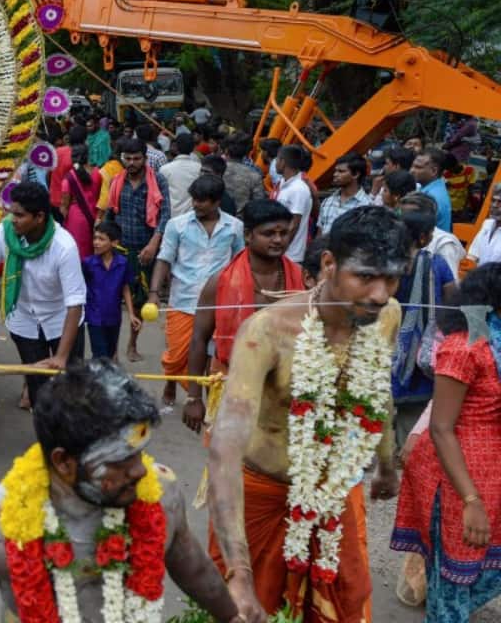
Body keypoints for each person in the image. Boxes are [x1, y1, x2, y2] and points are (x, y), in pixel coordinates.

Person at [0, 360, 239, 623]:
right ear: (63, 462)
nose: (139, 470)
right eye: (121, 460)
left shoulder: (160, 494)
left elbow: (194, 570)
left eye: (139, 453)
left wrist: (234, 616)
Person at [208, 206, 410, 623]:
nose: (379, 293)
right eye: (366, 276)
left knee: (348, 604)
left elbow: (378, 390)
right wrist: (238, 571)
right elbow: (224, 451)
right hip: (261, 498)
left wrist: (387, 463)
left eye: (391, 278)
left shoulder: (386, 314)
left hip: (335, 495)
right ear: (329, 264)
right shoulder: (267, 330)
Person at [391, 263, 501, 619]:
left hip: (491, 472)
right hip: (458, 476)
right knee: (454, 579)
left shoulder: (494, 339)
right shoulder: (465, 346)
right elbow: (441, 427)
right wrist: (471, 499)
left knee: (471, 574)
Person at [0, 182, 86, 410]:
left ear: (39, 217)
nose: (12, 219)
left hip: (62, 321)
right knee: (39, 392)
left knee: (71, 392)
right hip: (24, 321)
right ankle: (47, 440)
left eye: (19, 215)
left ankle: (71, 441)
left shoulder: (64, 246)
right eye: (11, 213)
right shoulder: (7, 230)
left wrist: (60, 357)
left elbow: (75, 303)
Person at [184, 200, 305, 433]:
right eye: (269, 233)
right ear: (248, 235)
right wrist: (193, 397)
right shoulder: (220, 282)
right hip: (232, 384)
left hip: (286, 388)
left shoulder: (302, 279)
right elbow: (199, 339)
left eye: (284, 233)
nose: (279, 240)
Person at [150, 175, 244, 407]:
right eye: (194, 199)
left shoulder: (234, 227)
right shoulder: (177, 225)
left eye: (202, 201)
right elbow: (164, 259)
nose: (196, 204)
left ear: (217, 201)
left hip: (217, 303)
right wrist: (153, 293)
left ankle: (197, 397)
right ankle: (171, 381)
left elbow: (240, 261)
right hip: (183, 300)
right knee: (176, 356)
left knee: (208, 353)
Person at [389, 205, 456, 448]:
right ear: (424, 237)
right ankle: (406, 450)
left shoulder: (388, 264)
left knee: (382, 400)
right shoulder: (437, 264)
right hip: (421, 347)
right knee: (415, 408)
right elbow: (452, 301)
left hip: (388, 339)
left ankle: (380, 449)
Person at [104, 138, 171, 362]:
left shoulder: (158, 180)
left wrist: (154, 243)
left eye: (136, 159)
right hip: (120, 250)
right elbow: (109, 216)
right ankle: (111, 351)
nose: (131, 163)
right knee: (112, 301)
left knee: (140, 303)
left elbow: (165, 216)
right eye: (128, 158)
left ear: (145, 158)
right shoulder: (116, 181)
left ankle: (132, 345)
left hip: (146, 252)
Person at [80, 221, 138, 359]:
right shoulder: (88, 264)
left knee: (111, 352)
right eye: (95, 238)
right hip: (95, 318)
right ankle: (98, 379)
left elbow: (125, 288)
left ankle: (102, 377)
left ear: (114, 243)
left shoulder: (122, 263)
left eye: (101, 239)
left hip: (114, 318)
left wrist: (131, 314)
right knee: (100, 355)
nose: (96, 242)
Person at [402, 192, 465, 280]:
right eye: (403, 214)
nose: (404, 219)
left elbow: (450, 283)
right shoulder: (400, 237)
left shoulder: (444, 243)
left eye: (410, 215)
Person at [58, 144, 102, 258]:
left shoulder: (69, 178)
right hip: (96, 218)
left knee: (77, 252)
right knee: (92, 250)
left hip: (76, 220)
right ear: (87, 156)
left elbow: (64, 206)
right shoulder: (98, 172)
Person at [271, 144, 312, 264]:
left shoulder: (298, 189)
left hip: (290, 256)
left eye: (277, 159)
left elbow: (294, 224)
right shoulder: (284, 183)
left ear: (283, 162)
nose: (275, 163)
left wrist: (279, 247)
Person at [315, 153, 373, 235]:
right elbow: (319, 234)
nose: (335, 174)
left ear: (356, 174)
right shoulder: (327, 201)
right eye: (335, 171)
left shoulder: (367, 206)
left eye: (341, 171)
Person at [159, 132, 202, 217]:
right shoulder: (200, 168)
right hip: (192, 215)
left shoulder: (165, 169)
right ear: (193, 148)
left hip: (171, 215)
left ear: (176, 147)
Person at [410, 147, 453, 232]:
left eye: (418, 167)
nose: (411, 170)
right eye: (412, 166)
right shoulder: (431, 189)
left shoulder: (432, 197)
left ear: (434, 171)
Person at [466, 183, 501, 266]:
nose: (494, 205)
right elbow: (472, 255)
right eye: (493, 200)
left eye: (500, 202)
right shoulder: (487, 224)